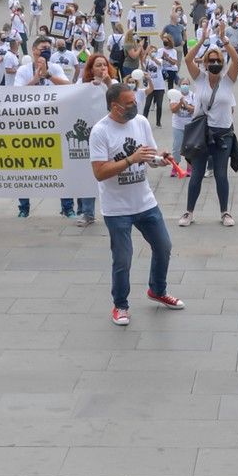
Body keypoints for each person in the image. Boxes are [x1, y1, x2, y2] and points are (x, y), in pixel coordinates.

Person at [89, 80, 182, 325]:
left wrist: (162, 159)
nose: (134, 106)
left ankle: (158, 290)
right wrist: (130, 160)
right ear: (115, 106)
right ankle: (120, 305)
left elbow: (149, 158)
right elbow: (99, 172)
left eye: (134, 101)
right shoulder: (100, 131)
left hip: (145, 202)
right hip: (116, 208)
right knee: (123, 258)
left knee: (163, 247)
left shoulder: (140, 123)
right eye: (129, 103)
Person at [179, 32, 238, 226]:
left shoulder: (228, 80)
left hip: (223, 134)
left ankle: (225, 213)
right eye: (211, 60)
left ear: (221, 62)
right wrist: (202, 40)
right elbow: (188, 59)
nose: (214, 63)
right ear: (205, 63)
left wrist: (224, 40)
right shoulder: (199, 79)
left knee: (221, 174)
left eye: (217, 60)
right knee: (196, 174)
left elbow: (237, 60)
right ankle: (189, 212)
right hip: (202, 134)